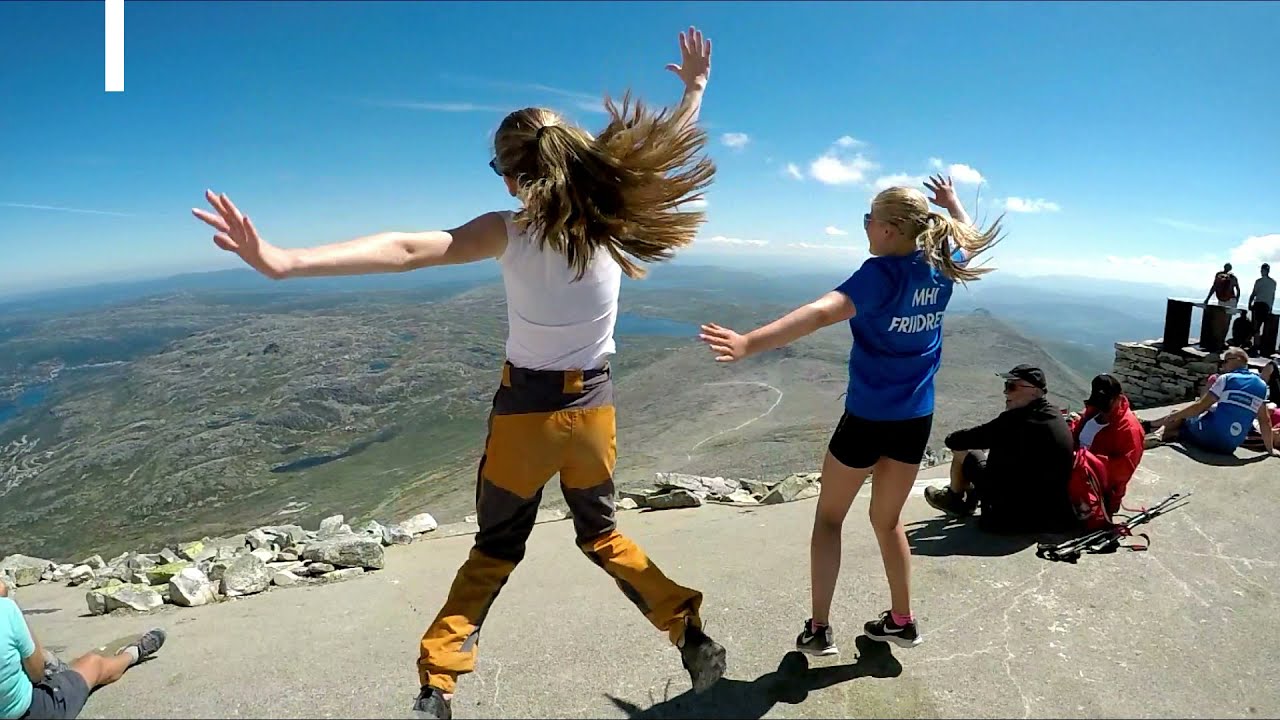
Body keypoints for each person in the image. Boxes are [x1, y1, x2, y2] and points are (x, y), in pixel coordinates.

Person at [192, 26, 727, 720]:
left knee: (495, 550)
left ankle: (437, 687)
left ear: (510, 175)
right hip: (594, 415)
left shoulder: (508, 229)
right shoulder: (610, 218)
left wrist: (285, 261)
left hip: (525, 417)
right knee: (602, 535)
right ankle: (687, 630)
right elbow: (662, 146)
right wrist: (694, 91)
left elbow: (411, 248)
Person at [698, 174, 1002, 654]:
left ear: (887, 230)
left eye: (868, 219)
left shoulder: (879, 274)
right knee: (888, 521)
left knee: (829, 519)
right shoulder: (941, 266)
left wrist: (749, 343)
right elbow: (970, 244)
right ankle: (903, 621)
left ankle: (818, 631)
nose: (864, 227)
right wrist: (954, 204)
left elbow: (821, 313)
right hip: (914, 419)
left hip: (865, 418)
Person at [923, 365, 1077, 532]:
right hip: (1045, 516)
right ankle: (969, 496)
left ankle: (954, 499)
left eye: (1011, 386)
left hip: (1006, 519)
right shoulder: (1053, 415)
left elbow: (954, 440)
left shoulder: (1015, 421)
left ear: (1033, 390)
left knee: (968, 452)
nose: (1005, 392)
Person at [0, 581, 166, 720]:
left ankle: (56, 666)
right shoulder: (6, 609)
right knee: (92, 663)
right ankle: (133, 653)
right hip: (29, 711)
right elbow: (36, 674)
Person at [1149, 347, 1276, 456]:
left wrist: (1173, 416)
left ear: (1238, 359)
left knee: (1180, 415)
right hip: (1229, 446)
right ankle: (1159, 430)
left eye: (1225, 361)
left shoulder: (1226, 378)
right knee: (1185, 424)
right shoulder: (1262, 386)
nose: (1222, 365)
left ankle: (1157, 433)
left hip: (1209, 436)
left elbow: (1200, 407)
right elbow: (1265, 421)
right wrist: (1270, 450)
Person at [1065, 374, 1145, 515]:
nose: (1102, 409)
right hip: (1074, 475)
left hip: (1099, 493)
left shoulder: (1129, 430)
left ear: (1118, 398)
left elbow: (1122, 470)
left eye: (1105, 403)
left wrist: (1084, 461)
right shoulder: (1093, 412)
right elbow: (1079, 435)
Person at [1248, 263, 1275, 350]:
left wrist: (1249, 303)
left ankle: (1255, 345)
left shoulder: (1259, 281)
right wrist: (1270, 307)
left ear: (1264, 271)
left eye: (1261, 270)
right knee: (1264, 326)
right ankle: (1260, 345)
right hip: (1267, 306)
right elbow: (1272, 296)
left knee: (1256, 326)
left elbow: (1254, 293)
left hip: (1258, 305)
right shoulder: (1273, 282)